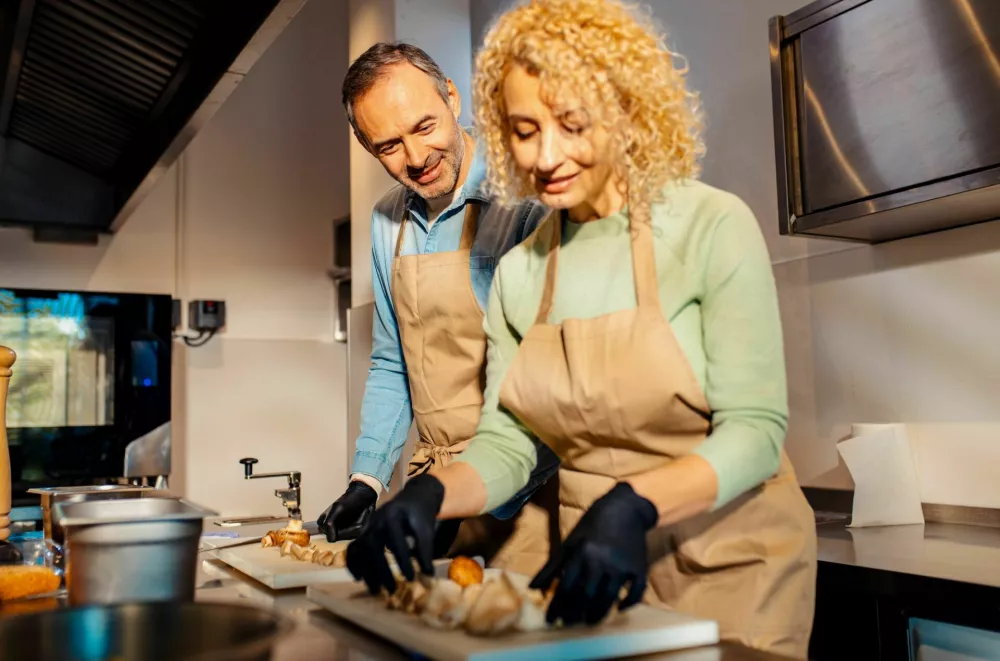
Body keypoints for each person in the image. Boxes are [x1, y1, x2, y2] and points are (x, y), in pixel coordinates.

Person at [344, 1, 818, 657]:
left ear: (626, 104)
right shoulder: (521, 270)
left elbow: (757, 432)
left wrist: (634, 506)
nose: (547, 155)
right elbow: (510, 445)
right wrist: (428, 492)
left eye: (572, 124)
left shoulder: (710, 224)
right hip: (587, 570)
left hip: (732, 560)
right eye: (524, 129)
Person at [316, 42, 560, 573]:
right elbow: (392, 363)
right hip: (433, 484)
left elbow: (550, 388)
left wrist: (461, 494)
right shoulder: (386, 222)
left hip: (528, 489)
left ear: (451, 96)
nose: (416, 158)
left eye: (424, 126)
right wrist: (368, 480)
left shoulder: (525, 203)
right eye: (389, 145)